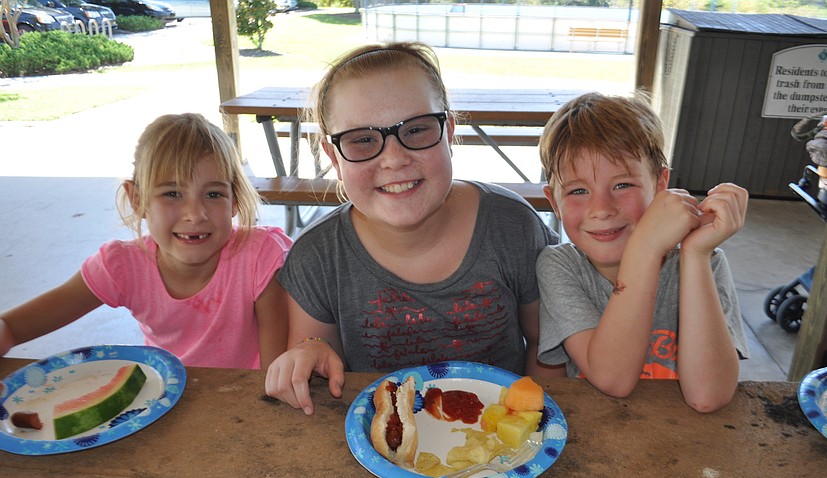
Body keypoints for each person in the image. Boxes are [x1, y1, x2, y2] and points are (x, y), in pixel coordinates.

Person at [265, 41, 560, 414]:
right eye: (362, 140)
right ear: (333, 157)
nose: (394, 159)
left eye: (417, 130)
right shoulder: (318, 257)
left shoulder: (512, 227)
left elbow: (546, 346)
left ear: (449, 132)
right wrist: (309, 353)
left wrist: (528, 423)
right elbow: (317, 356)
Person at [0, 113, 292, 370]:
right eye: (172, 194)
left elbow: (271, 375)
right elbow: (12, 327)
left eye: (213, 194)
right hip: (163, 398)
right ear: (137, 199)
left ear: (234, 201)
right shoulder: (122, 265)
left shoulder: (261, 258)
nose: (195, 215)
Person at [535, 92, 749, 413]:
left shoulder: (706, 261)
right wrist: (645, 248)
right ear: (554, 202)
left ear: (660, 185)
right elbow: (613, 379)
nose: (601, 209)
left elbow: (708, 396)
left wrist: (695, 255)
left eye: (622, 185)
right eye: (578, 190)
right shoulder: (560, 266)